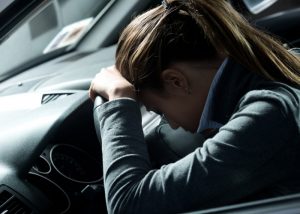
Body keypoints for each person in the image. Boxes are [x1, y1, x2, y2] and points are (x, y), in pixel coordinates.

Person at [89, 0, 300, 213]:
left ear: (176, 81)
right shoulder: (274, 70)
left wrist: (118, 101)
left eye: (159, 111)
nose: (170, 124)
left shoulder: (269, 116)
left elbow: (128, 203)